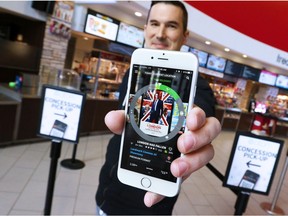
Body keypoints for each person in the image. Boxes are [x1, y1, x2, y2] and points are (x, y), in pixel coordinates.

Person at [95, 1, 221, 215]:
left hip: (149, 205)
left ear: (184, 35)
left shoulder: (196, 86)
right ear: (145, 30)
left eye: (171, 25)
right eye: (154, 24)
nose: (160, 33)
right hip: (107, 193)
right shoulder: (133, 73)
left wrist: (197, 124)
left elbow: (200, 112)